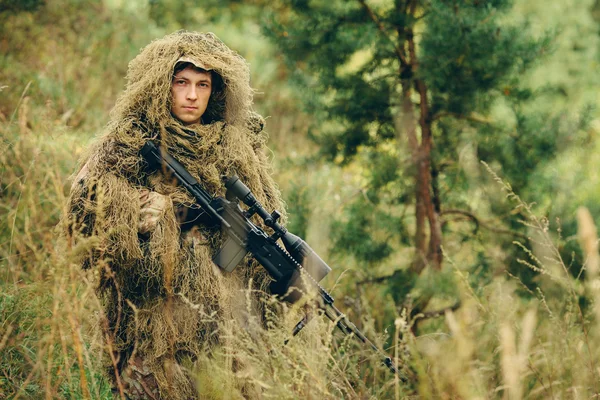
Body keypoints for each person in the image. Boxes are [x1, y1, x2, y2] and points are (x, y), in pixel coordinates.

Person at [63, 31, 286, 399]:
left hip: (222, 329)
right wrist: (150, 207)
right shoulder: (130, 140)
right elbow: (84, 203)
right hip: (151, 324)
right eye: (181, 82)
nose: (192, 95)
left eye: (203, 84)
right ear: (162, 84)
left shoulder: (234, 147)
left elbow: (258, 227)